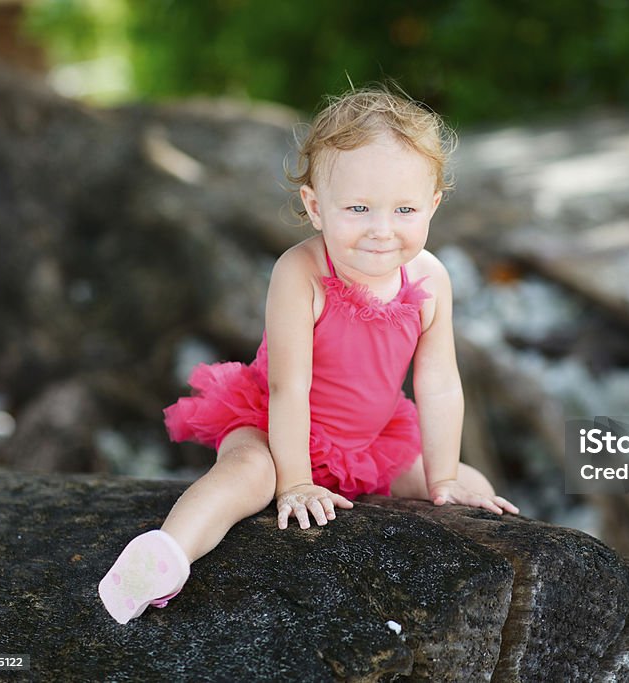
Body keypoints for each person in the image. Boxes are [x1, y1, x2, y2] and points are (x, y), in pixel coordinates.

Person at [98, 86, 519, 625]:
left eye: (405, 209)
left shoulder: (431, 278)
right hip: (277, 429)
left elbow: (438, 383)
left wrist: (442, 478)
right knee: (248, 474)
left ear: (433, 204)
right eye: (358, 208)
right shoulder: (301, 274)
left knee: (470, 487)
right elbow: (287, 387)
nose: (381, 229)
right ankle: (163, 558)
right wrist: (294, 481)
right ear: (316, 206)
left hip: (369, 443)